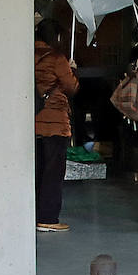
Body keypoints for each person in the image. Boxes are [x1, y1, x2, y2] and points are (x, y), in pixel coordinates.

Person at [32, 19, 80, 233]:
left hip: (30, 119)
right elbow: (71, 87)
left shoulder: (23, 54)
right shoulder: (56, 58)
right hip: (54, 121)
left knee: (36, 170)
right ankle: (48, 217)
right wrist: (71, 70)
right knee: (53, 171)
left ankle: (32, 213)